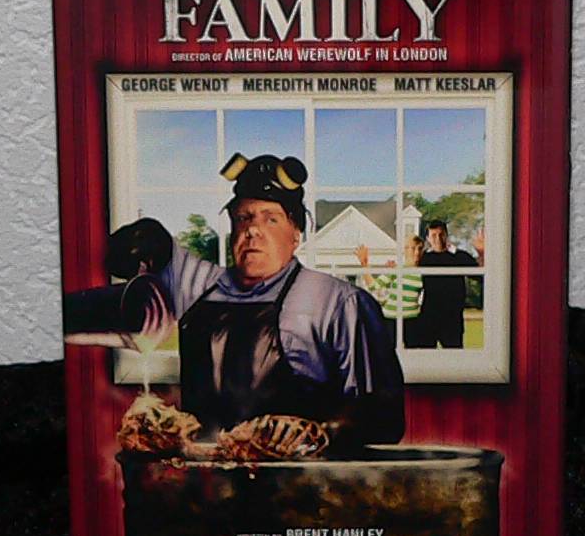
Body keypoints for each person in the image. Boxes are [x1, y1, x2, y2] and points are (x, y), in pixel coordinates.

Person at [64, 153, 404, 449]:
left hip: (298, 489)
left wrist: (318, 432)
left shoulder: (336, 302)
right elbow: (144, 271)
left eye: (271, 218)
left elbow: (383, 415)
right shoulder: (200, 286)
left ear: (296, 234)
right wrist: (145, 240)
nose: (253, 230)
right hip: (202, 483)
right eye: (244, 217)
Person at [419, 220, 485, 349]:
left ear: (446, 235)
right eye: (433, 235)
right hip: (428, 318)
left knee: (455, 356)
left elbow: (481, 275)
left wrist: (482, 252)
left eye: (441, 234)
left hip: (452, 319)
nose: (438, 239)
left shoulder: (460, 256)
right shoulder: (423, 259)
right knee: (426, 357)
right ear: (427, 238)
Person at [354, 235, 425, 348]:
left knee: (413, 352)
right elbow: (374, 286)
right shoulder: (397, 270)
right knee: (388, 351)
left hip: (412, 320)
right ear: (405, 250)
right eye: (412, 248)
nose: (416, 252)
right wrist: (364, 264)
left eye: (419, 248)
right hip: (391, 318)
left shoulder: (424, 273)